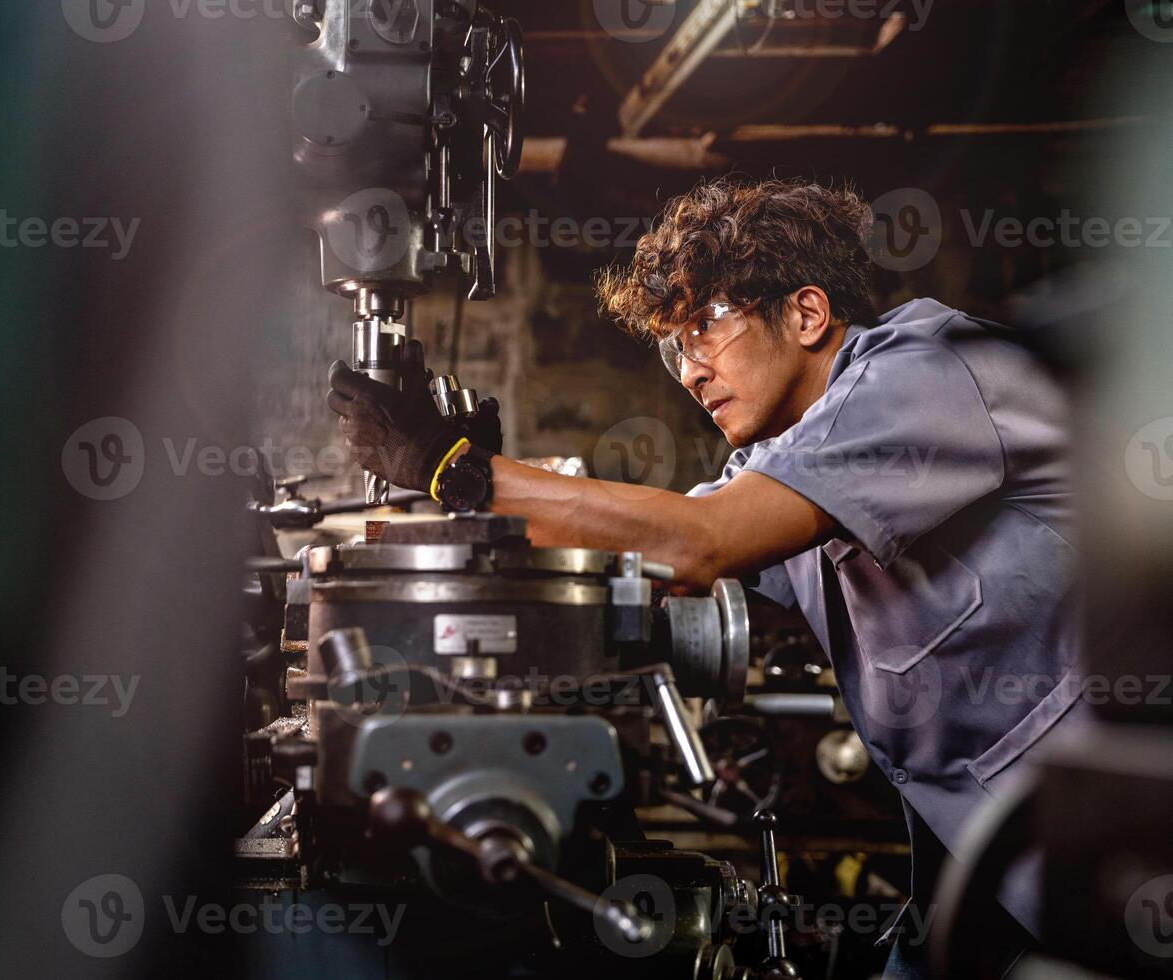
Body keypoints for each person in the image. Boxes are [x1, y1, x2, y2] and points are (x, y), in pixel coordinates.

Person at [327, 178, 1083, 977]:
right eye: (672, 347)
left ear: (806, 314)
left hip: (1102, 839)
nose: (688, 373)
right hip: (973, 848)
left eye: (702, 330)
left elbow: (699, 543)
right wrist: (501, 500)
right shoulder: (782, 459)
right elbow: (649, 560)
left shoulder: (923, 377)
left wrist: (462, 471)